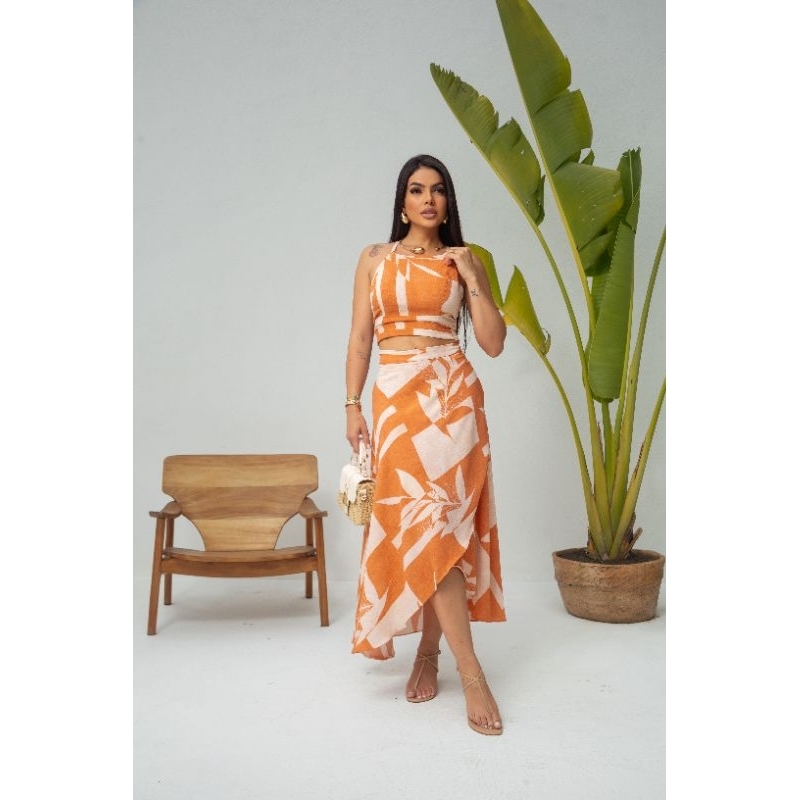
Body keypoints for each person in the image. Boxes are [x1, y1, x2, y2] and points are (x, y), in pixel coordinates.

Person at [344, 154, 507, 735]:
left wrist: (473, 279)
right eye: (416, 190)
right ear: (402, 202)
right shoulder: (374, 258)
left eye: (438, 190)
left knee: (442, 530)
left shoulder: (464, 259)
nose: (428, 199)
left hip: (452, 400)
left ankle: (457, 665)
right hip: (395, 400)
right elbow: (360, 339)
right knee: (423, 528)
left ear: (448, 201)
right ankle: (442, 657)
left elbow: (493, 343)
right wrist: (351, 404)